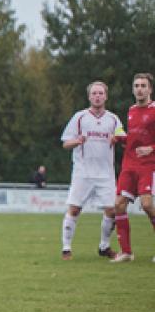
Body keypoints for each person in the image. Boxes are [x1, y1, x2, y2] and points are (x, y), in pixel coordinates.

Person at [59, 81, 123, 260]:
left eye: (100, 93)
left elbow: (123, 137)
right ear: (89, 97)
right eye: (94, 93)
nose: (97, 96)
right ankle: (66, 248)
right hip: (83, 173)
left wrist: (117, 138)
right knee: (74, 209)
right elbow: (65, 143)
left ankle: (104, 247)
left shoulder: (113, 119)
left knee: (111, 210)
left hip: (105, 174)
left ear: (106, 96)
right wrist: (77, 141)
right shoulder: (79, 117)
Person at [111, 73, 155, 263]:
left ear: (150, 89)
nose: (139, 89)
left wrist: (151, 148)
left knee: (146, 205)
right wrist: (120, 138)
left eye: (143, 86)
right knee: (119, 204)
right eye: (136, 85)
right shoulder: (131, 110)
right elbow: (134, 138)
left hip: (148, 165)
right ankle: (126, 252)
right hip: (129, 164)